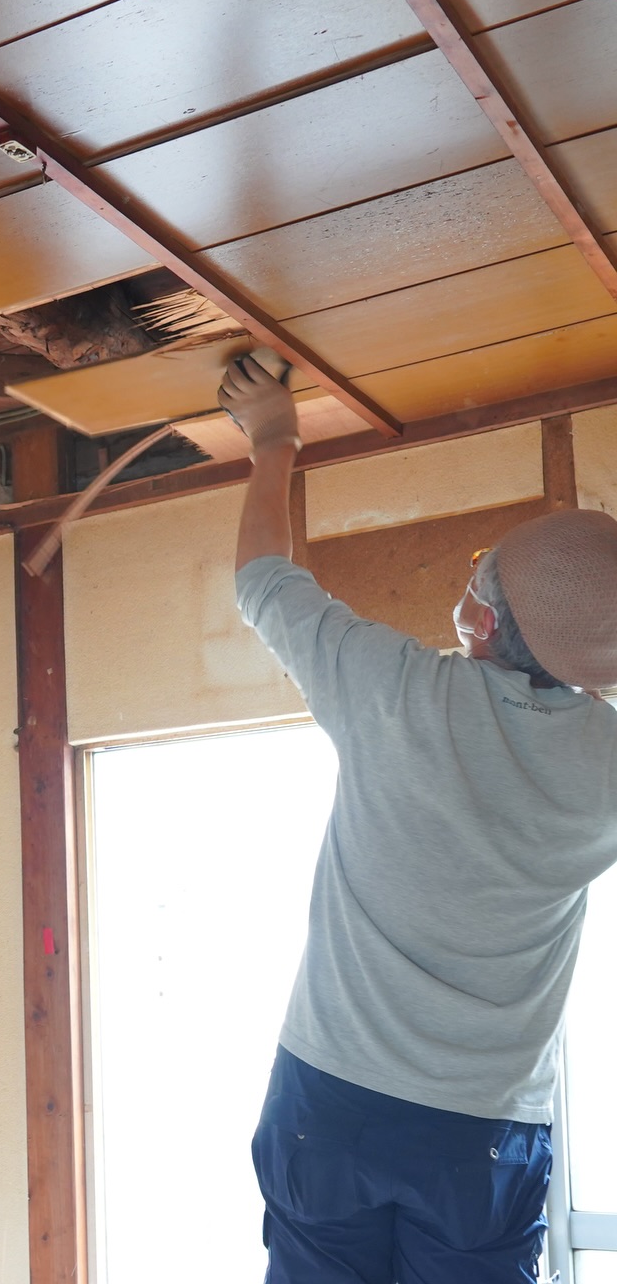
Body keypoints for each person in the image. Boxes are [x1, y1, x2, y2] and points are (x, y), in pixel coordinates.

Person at [218, 355, 617, 1283]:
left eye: (484, 578)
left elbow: (263, 581)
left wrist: (275, 438)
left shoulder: (398, 689)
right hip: (487, 1125)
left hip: (333, 1095)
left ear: (482, 623)